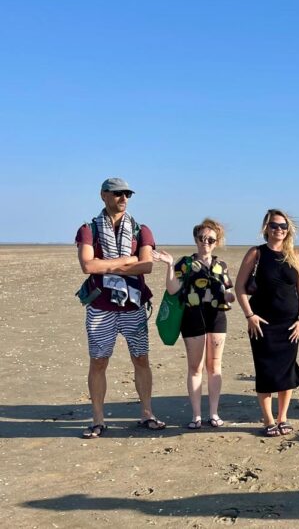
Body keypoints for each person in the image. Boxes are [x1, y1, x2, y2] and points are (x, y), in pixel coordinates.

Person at [75, 178, 163, 438]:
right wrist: (126, 261)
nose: (123, 198)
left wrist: (107, 263)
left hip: (133, 305)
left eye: (127, 194)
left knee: (141, 359)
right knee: (99, 361)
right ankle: (98, 420)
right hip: (100, 306)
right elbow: (88, 266)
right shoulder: (88, 229)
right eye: (117, 194)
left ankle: (147, 414)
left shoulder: (141, 230)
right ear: (103, 195)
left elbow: (146, 265)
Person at [153, 219, 235, 429]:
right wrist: (170, 265)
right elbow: (172, 289)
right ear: (196, 239)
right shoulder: (185, 263)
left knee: (214, 367)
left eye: (210, 239)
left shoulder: (221, 265)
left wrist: (230, 296)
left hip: (217, 316)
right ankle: (196, 415)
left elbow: (228, 292)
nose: (205, 242)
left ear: (216, 242)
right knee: (195, 367)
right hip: (192, 316)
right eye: (201, 238)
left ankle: (214, 413)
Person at [235, 209, 299, 437]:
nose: (279, 230)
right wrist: (250, 315)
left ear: (288, 230)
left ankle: (283, 417)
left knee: (286, 372)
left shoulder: (294, 254)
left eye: (283, 226)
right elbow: (239, 288)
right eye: (274, 225)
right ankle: (268, 420)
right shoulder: (256, 253)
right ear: (266, 228)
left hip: (290, 324)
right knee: (266, 371)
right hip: (262, 324)